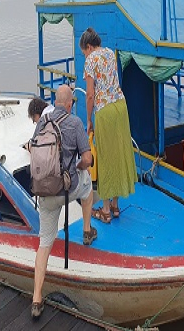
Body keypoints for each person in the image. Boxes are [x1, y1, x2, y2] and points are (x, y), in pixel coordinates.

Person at [30, 85, 95, 319]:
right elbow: (86, 159)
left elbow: (32, 147)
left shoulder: (42, 121)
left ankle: (37, 298)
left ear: (55, 102)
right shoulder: (76, 122)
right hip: (67, 188)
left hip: (44, 192)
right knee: (87, 187)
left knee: (44, 243)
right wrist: (77, 166)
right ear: (69, 104)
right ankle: (87, 231)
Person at [80, 27, 137, 223]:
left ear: (88, 47)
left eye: (84, 52)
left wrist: (88, 120)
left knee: (105, 156)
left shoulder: (90, 60)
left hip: (104, 111)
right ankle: (115, 205)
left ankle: (104, 210)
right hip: (120, 107)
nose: (84, 56)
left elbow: (89, 95)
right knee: (119, 153)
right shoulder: (110, 54)